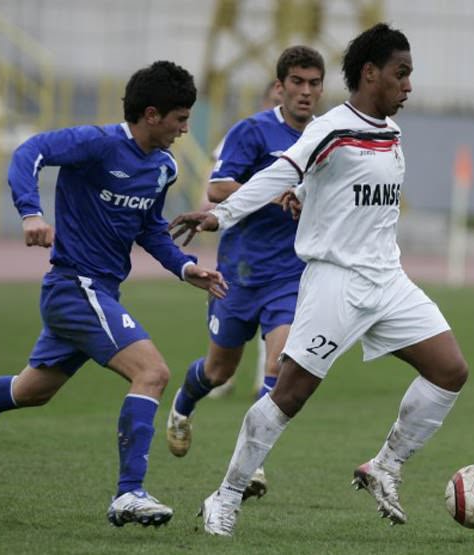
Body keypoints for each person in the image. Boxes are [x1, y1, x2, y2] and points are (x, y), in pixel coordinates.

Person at [170, 23, 469, 537]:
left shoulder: (391, 132)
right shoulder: (330, 127)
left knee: (450, 370)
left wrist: (308, 197)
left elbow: (339, 191)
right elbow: (280, 171)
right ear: (371, 73)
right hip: (335, 283)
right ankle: (225, 496)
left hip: (387, 280)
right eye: (402, 74)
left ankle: (386, 466)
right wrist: (222, 215)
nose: (409, 85)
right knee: (288, 396)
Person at [0, 60, 227, 528]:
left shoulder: (163, 167)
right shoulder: (96, 144)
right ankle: (128, 493)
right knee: (152, 373)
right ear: (152, 114)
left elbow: (151, 229)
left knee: (31, 390)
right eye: (181, 118)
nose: (185, 128)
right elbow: (29, 151)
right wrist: (30, 213)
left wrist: (185, 267)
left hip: (96, 292)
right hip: (76, 286)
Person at [166, 46, 325, 501]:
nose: (306, 91)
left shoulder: (325, 136)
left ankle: (251, 464)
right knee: (218, 370)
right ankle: (181, 407)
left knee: (279, 365)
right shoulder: (253, 131)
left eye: (314, 83)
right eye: (297, 82)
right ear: (281, 86)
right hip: (239, 272)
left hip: (291, 275)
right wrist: (275, 191)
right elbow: (217, 187)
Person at [205, 78, 283, 400]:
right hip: (242, 257)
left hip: (288, 262)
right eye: (280, 95)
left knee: (279, 344)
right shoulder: (246, 131)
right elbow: (216, 181)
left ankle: (263, 389)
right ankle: (209, 385)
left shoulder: (316, 135)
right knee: (218, 367)